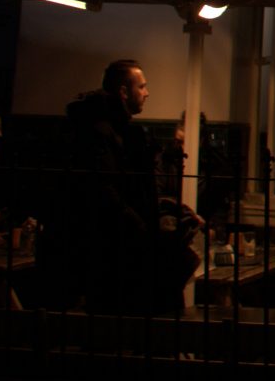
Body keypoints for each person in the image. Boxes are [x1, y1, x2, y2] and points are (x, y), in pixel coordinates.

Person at [60, 60, 202, 314]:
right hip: (114, 249)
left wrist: (171, 208)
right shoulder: (102, 132)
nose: (147, 93)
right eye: (142, 86)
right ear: (124, 91)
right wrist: (142, 227)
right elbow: (106, 190)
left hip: (122, 244)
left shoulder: (117, 130)